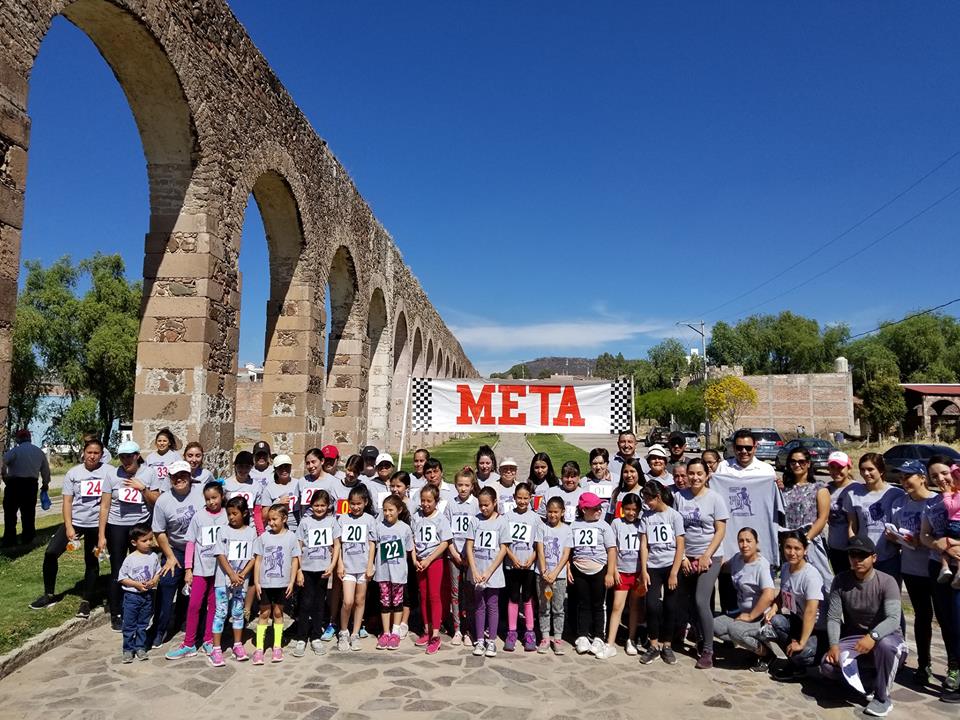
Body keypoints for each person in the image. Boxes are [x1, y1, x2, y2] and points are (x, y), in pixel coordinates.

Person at [820, 536, 908, 718]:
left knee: (886, 646)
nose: (857, 559)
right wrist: (834, 645)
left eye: (862, 555)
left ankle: (883, 697)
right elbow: (834, 617)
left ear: (874, 557)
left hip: (888, 638)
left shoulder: (887, 581)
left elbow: (893, 619)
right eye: (852, 554)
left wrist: (873, 636)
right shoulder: (840, 581)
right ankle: (871, 681)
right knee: (827, 666)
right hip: (855, 640)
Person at [30, 439, 107, 615]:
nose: (92, 456)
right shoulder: (74, 473)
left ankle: (87, 600)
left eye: (96, 453)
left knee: (92, 560)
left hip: (96, 525)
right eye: (89, 452)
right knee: (51, 552)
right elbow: (67, 502)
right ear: (83, 453)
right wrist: (69, 527)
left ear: (101, 455)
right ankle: (49, 594)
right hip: (76, 523)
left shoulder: (108, 472)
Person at [711, 430, 781, 611]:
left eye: (748, 448)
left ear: (755, 447)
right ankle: (728, 627)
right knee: (727, 587)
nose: (744, 451)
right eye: (739, 448)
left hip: (758, 542)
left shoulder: (766, 471)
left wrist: (777, 486)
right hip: (728, 541)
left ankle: (756, 628)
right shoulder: (723, 468)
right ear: (733, 448)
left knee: (758, 591)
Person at [673, 458, 728, 669]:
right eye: (691, 473)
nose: (695, 477)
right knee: (687, 601)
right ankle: (697, 636)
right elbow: (676, 530)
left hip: (710, 557)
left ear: (707, 475)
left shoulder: (715, 499)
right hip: (686, 556)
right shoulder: (679, 498)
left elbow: (720, 530)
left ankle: (708, 649)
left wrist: (707, 555)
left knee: (700, 600)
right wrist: (684, 556)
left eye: (699, 473)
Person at [892, 461, 942, 686]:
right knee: (922, 618)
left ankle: (953, 666)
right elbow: (895, 530)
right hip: (911, 569)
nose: (904, 482)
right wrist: (895, 537)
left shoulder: (937, 501)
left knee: (944, 618)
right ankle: (924, 664)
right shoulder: (899, 504)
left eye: (908, 477)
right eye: (901, 478)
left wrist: (923, 540)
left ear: (923, 477)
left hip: (937, 567)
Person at [165, 480, 228, 659]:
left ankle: (209, 640)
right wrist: (188, 568)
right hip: (201, 569)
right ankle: (189, 643)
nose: (211, 502)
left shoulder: (226, 516)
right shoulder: (199, 516)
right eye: (208, 499)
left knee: (214, 607)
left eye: (215, 498)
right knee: (194, 605)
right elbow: (190, 543)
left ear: (221, 497)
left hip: (219, 571)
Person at [97, 440, 154, 628]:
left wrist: (142, 488)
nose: (126, 460)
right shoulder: (112, 475)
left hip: (141, 525)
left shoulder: (149, 473)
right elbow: (104, 506)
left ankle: (143, 608)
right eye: (122, 456)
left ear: (137, 455)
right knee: (118, 568)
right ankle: (117, 612)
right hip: (117, 526)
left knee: (142, 566)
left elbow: (157, 500)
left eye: (129, 456)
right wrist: (101, 535)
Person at [149, 460, 204, 647]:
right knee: (167, 585)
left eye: (183, 475)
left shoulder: (202, 494)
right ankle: (159, 629)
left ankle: (185, 622)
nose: (179, 479)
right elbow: (159, 531)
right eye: (175, 476)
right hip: (176, 550)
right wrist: (170, 556)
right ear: (170, 478)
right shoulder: (163, 501)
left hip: (200, 549)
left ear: (190, 477)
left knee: (193, 590)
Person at [920, 455, 960, 697]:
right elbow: (925, 535)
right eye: (934, 476)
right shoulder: (932, 504)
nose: (941, 479)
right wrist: (939, 544)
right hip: (939, 568)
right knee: (946, 622)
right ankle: (954, 668)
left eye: (944, 473)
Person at [764, 531, 826, 681]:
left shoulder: (811, 576)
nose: (792, 552)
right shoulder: (786, 568)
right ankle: (794, 661)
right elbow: (782, 594)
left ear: (805, 550)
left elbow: (811, 612)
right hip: (798, 621)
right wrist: (773, 609)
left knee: (801, 654)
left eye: (797, 549)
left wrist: (801, 642)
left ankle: (803, 661)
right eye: (788, 547)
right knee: (774, 622)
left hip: (819, 630)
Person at [712, 528, 777, 670]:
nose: (744, 544)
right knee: (713, 625)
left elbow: (769, 595)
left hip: (760, 617)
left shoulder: (761, 566)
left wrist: (750, 616)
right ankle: (751, 646)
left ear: (756, 543)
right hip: (742, 612)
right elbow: (723, 567)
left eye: (749, 541)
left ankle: (766, 654)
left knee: (735, 630)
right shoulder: (737, 559)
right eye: (741, 541)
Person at [638, 482, 686, 665]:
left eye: (648, 499)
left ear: (657, 497)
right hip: (653, 566)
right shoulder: (646, 517)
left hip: (671, 566)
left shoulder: (674, 516)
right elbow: (644, 544)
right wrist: (643, 570)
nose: (646, 503)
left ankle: (667, 644)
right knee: (651, 605)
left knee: (670, 606)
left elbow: (680, 544)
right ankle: (653, 644)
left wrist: (674, 571)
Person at [252, 504, 301, 664]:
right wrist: (257, 582)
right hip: (266, 584)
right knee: (264, 614)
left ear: (284, 519)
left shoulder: (291, 537)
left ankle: (277, 646)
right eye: (269, 519)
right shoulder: (263, 538)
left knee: (278, 614)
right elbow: (258, 561)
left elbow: (295, 561)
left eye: (275, 519)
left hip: (282, 583)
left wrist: (292, 581)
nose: (271, 523)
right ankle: (259, 648)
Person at [211, 496, 257, 665]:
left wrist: (243, 574)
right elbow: (220, 554)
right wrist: (231, 574)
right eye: (229, 514)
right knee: (221, 612)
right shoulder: (223, 530)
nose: (231, 517)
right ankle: (216, 649)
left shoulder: (251, 532)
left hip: (241, 581)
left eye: (235, 514)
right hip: (223, 580)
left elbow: (253, 556)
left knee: (238, 612)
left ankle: (237, 644)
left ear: (244, 513)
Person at [294, 490, 340, 657]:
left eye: (322, 505)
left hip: (323, 569)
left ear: (328, 506)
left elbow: (337, 545)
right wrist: (298, 569)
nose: (319, 508)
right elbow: (297, 546)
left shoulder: (332, 522)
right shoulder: (305, 522)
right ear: (311, 506)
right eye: (316, 505)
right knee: (305, 603)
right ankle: (301, 636)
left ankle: (315, 636)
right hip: (306, 568)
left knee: (319, 604)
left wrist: (333, 565)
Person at [845, 453, 905, 582]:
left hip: (889, 558)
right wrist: (855, 551)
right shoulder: (853, 494)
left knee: (890, 599)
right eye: (862, 469)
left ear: (881, 470)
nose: (866, 473)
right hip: (864, 558)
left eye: (870, 469)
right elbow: (852, 527)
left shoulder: (896, 494)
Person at [781, 446, 834, 591]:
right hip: (790, 543)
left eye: (801, 462)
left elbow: (822, 518)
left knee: (821, 581)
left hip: (811, 541)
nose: (797, 465)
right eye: (793, 462)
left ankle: (828, 612)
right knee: (793, 583)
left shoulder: (819, 488)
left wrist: (806, 540)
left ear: (809, 463)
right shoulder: (784, 489)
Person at [570, 492, 616, 657]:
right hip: (579, 569)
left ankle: (598, 636)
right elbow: (569, 549)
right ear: (584, 510)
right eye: (595, 508)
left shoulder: (604, 526)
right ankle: (582, 635)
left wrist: (610, 573)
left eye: (600, 507)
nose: (599, 511)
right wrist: (569, 567)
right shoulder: (574, 526)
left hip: (599, 570)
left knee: (598, 604)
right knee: (583, 603)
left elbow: (611, 550)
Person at [467, 485, 509, 657]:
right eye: (481, 505)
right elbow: (469, 546)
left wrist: (490, 571)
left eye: (487, 505)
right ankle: (479, 640)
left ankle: (491, 640)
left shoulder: (501, 521)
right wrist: (475, 570)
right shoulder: (475, 521)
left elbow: (503, 548)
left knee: (492, 605)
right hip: (477, 571)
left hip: (494, 573)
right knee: (479, 606)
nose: (484, 508)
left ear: (494, 503)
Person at [600, 492, 642, 659]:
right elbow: (613, 547)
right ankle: (610, 643)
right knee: (617, 606)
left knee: (635, 607)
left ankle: (631, 639)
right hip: (622, 572)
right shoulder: (617, 523)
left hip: (638, 572)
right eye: (628, 509)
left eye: (634, 509)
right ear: (622, 509)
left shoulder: (642, 524)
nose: (631, 512)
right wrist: (614, 569)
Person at [411, 484, 452, 654]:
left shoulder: (440, 518)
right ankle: (426, 630)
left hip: (434, 561)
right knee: (424, 596)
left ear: (436, 501)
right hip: (420, 561)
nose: (426, 504)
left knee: (434, 596)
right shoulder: (416, 517)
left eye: (429, 501)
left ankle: (435, 634)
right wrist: (415, 559)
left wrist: (429, 559)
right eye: (423, 501)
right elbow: (411, 539)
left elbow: (445, 542)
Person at [502, 482, 542, 652]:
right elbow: (504, 542)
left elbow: (538, 544)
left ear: (531, 499)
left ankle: (530, 631)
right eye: (519, 498)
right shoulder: (507, 516)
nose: (522, 501)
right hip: (512, 565)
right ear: (514, 498)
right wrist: (512, 558)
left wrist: (532, 559)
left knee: (527, 597)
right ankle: (511, 631)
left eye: (526, 498)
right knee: (512, 597)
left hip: (529, 566)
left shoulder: (535, 518)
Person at [337, 485, 377, 651]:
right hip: (347, 567)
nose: (355, 507)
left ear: (365, 502)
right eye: (352, 503)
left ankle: (355, 633)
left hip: (362, 567)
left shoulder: (369, 520)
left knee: (360, 601)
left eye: (359, 503)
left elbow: (372, 543)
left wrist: (370, 565)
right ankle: (343, 631)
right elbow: (337, 543)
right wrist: (339, 564)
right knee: (348, 601)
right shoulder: (342, 519)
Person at [444, 467, 479, 648]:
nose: (463, 489)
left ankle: (469, 629)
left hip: (471, 557)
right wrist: (454, 552)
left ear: (472, 486)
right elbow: (446, 531)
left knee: (470, 593)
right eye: (460, 485)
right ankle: (457, 628)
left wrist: (468, 555)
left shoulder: (476, 504)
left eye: (466, 485)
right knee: (455, 593)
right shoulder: (451, 504)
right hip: (454, 555)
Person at [374, 494, 413, 650]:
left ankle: (395, 632)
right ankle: (385, 632)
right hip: (383, 572)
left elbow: (409, 550)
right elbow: (373, 547)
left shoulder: (405, 528)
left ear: (399, 510)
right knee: (384, 602)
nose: (388, 513)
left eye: (391, 510)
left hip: (398, 573)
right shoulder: (378, 527)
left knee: (397, 602)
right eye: (385, 510)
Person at [117, 524, 161, 662]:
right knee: (129, 625)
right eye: (144, 540)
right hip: (132, 597)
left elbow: (158, 572)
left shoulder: (153, 556)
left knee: (143, 624)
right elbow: (122, 578)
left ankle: (140, 647)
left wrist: (154, 581)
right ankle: (128, 649)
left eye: (150, 539)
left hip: (147, 596)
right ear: (134, 542)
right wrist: (136, 584)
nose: (149, 543)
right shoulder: (130, 559)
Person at [2, 428, 51, 546]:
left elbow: (3, 462)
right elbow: (45, 470)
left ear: (18, 439)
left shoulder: (15, 451)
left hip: (14, 484)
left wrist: (4, 476)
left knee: (10, 513)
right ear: (29, 438)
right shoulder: (38, 452)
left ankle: (10, 539)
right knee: (28, 513)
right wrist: (45, 483)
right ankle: (28, 538)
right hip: (31, 484)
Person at [537, 496, 572, 655]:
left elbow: (566, 554)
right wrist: (545, 571)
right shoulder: (542, 527)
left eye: (556, 512)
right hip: (543, 575)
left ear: (562, 512)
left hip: (559, 576)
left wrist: (556, 572)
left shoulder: (567, 529)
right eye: (550, 512)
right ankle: (545, 636)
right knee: (544, 606)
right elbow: (540, 551)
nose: (552, 515)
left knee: (558, 608)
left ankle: (557, 637)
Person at [825, 451, 856, 574]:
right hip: (834, 546)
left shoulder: (856, 489)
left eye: (840, 467)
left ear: (849, 467)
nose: (836, 471)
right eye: (832, 467)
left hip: (852, 547)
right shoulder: (826, 489)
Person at [224, 451, 264, 534]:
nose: (243, 470)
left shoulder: (256, 486)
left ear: (251, 467)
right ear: (235, 466)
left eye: (247, 467)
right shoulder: (225, 485)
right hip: (230, 527)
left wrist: (260, 532)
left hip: (249, 528)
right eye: (240, 466)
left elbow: (257, 512)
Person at [258, 454, 299, 533]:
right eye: (280, 467)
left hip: (295, 528)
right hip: (275, 529)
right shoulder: (269, 489)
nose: (284, 470)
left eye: (286, 466)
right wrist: (278, 503)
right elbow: (264, 516)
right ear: (275, 469)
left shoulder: (299, 483)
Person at [936, 464, 960, 586]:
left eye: (955, 479)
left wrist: (946, 494)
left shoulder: (959, 494)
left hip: (955, 524)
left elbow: (951, 508)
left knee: (945, 544)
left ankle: (945, 567)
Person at [297, 447, 337, 520]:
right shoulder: (301, 482)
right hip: (306, 524)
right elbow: (299, 506)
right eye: (308, 463)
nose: (311, 466)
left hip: (326, 525)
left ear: (322, 461)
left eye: (313, 462)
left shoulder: (333, 482)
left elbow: (336, 507)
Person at [143, 428, 182, 492]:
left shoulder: (175, 456)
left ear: (169, 443)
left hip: (171, 491)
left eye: (164, 441)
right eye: (159, 441)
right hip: (154, 492)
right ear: (156, 443)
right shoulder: (150, 457)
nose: (161, 443)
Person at [582, 448, 616, 517]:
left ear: (607, 464)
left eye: (601, 463)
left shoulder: (617, 480)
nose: (598, 467)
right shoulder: (583, 482)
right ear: (590, 464)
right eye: (594, 463)